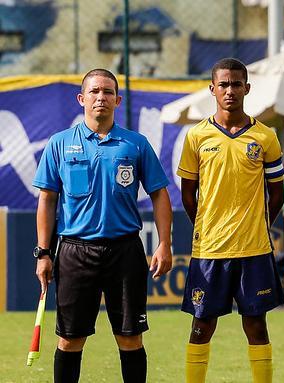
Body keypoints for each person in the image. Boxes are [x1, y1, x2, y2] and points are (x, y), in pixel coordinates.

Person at [32, 68, 173, 383]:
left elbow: (159, 195)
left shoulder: (135, 144)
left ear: (117, 100)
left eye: (108, 92)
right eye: (94, 91)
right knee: (70, 340)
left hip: (125, 252)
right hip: (75, 252)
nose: (101, 97)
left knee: (130, 338)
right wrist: (43, 252)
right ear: (81, 99)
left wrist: (164, 243)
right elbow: (47, 200)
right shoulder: (59, 144)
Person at [177, 58, 284, 383]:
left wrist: (258, 226)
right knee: (201, 325)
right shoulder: (197, 136)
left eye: (236, 84)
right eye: (223, 84)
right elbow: (187, 195)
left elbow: (276, 195)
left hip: (254, 249)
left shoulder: (265, 137)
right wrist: (206, 225)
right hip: (210, 250)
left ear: (247, 88)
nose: (230, 90)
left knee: (256, 325)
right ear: (212, 89)